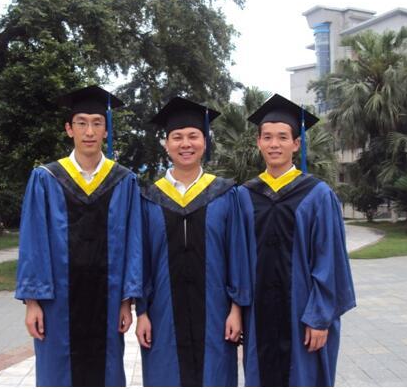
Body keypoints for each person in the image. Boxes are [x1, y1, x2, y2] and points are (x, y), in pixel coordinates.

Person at [14, 85, 142, 386]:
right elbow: (33, 243)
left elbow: (133, 243)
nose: (89, 131)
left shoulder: (123, 181)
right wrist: (32, 302)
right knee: (58, 372)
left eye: (97, 123)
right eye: (81, 123)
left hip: (108, 300)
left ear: (106, 131)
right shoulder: (46, 178)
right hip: (57, 304)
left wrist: (127, 301)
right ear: (69, 129)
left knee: (106, 371)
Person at [239, 93, 356, 386]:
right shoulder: (244, 195)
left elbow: (330, 261)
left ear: (296, 144)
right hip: (258, 314)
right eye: (267, 137)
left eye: (282, 137)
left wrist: (319, 317)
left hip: (302, 315)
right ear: (258, 142)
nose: (274, 144)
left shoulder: (317, 195)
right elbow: (235, 259)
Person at [135, 97, 251, 386]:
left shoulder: (225, 194)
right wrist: (142, 312)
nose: (185, 144)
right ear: (166, 144)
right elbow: (142, 259)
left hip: (216, 314)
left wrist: (236, 310)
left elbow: (237, 255)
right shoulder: (149, 197)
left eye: (193, 136)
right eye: (177, 137)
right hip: (162, 315)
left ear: (205, 142)